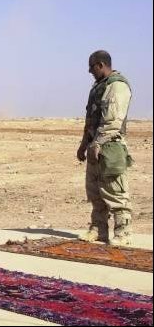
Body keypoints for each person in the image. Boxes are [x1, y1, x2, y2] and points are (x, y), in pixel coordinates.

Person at [77, 50, 133, 246]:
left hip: (110, 147)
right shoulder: (98, 87)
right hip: (95, 146)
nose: (89, 71)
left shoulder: (116, 85)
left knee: (115, 192)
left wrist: (98, 143)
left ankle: (123, 233)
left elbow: (112, 121)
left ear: (100, 65)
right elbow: (91, 120)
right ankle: (98, 229)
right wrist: (84, 145)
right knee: (95, 192)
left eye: (91, 67)